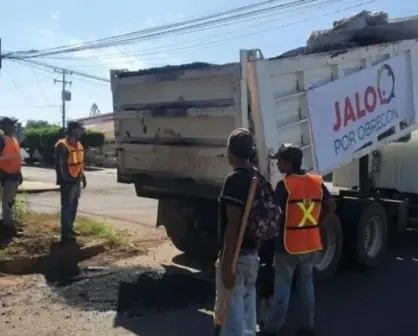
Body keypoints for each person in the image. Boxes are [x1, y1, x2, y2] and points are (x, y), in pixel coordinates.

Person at [262, 144, 336, 336]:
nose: (277, 164)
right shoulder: (316, 182)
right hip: (310, 244)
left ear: (289, 163)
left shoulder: (284, 186)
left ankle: (272, 328)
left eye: (280, 160)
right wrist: (320, 225)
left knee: (283, 288)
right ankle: (307, 326)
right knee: (306, 284)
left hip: (287, 247)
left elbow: (273, 214)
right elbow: (331, 205)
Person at [214, 128, 259, 336]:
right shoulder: (257, 177)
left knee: (231, 315)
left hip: (236, 258)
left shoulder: (234, 180)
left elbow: (233, 225)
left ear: (230, 152)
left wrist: (226, 267)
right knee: (248, 316)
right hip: (252, 256)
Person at [55, 121, 87, 243]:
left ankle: (70, 228)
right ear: (74, 130)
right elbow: (60, 165)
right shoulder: (62, 145)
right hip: (68, 181)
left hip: (76, 179)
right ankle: (65, 233)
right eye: (80, 129)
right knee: (67, 207)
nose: (82, 132)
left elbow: (80, 163)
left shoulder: (78, 144)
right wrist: (64, 181)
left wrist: (83, 177)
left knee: (73, 206)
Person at [0, 117, 23, 236]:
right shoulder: (2, 140)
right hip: (6, 175)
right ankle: (8, 228)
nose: (15, 127)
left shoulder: (14, 140)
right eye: (13, 125)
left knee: (10, 202)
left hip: (14, 175)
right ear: (6, 127)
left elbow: (16, 158)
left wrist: (19, 174)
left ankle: (7, 224)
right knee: (7, 202)